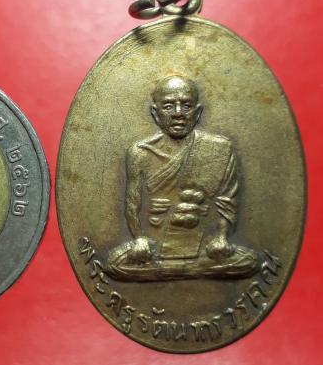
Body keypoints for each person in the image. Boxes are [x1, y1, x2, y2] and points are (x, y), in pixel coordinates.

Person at [106, 75, 258, 281]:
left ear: (197, 112)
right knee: (114, 264)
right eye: (169, 106)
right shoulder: (140, 152)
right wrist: (139, 239)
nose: (178, 113)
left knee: (249, 262)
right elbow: (133, 205)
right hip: (154, 247)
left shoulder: (219, 148)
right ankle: (185, 270)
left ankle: (181, 270)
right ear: (155, 113)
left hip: (204, 246)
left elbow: (227, 202)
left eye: (186, 106)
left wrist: (221, 237)